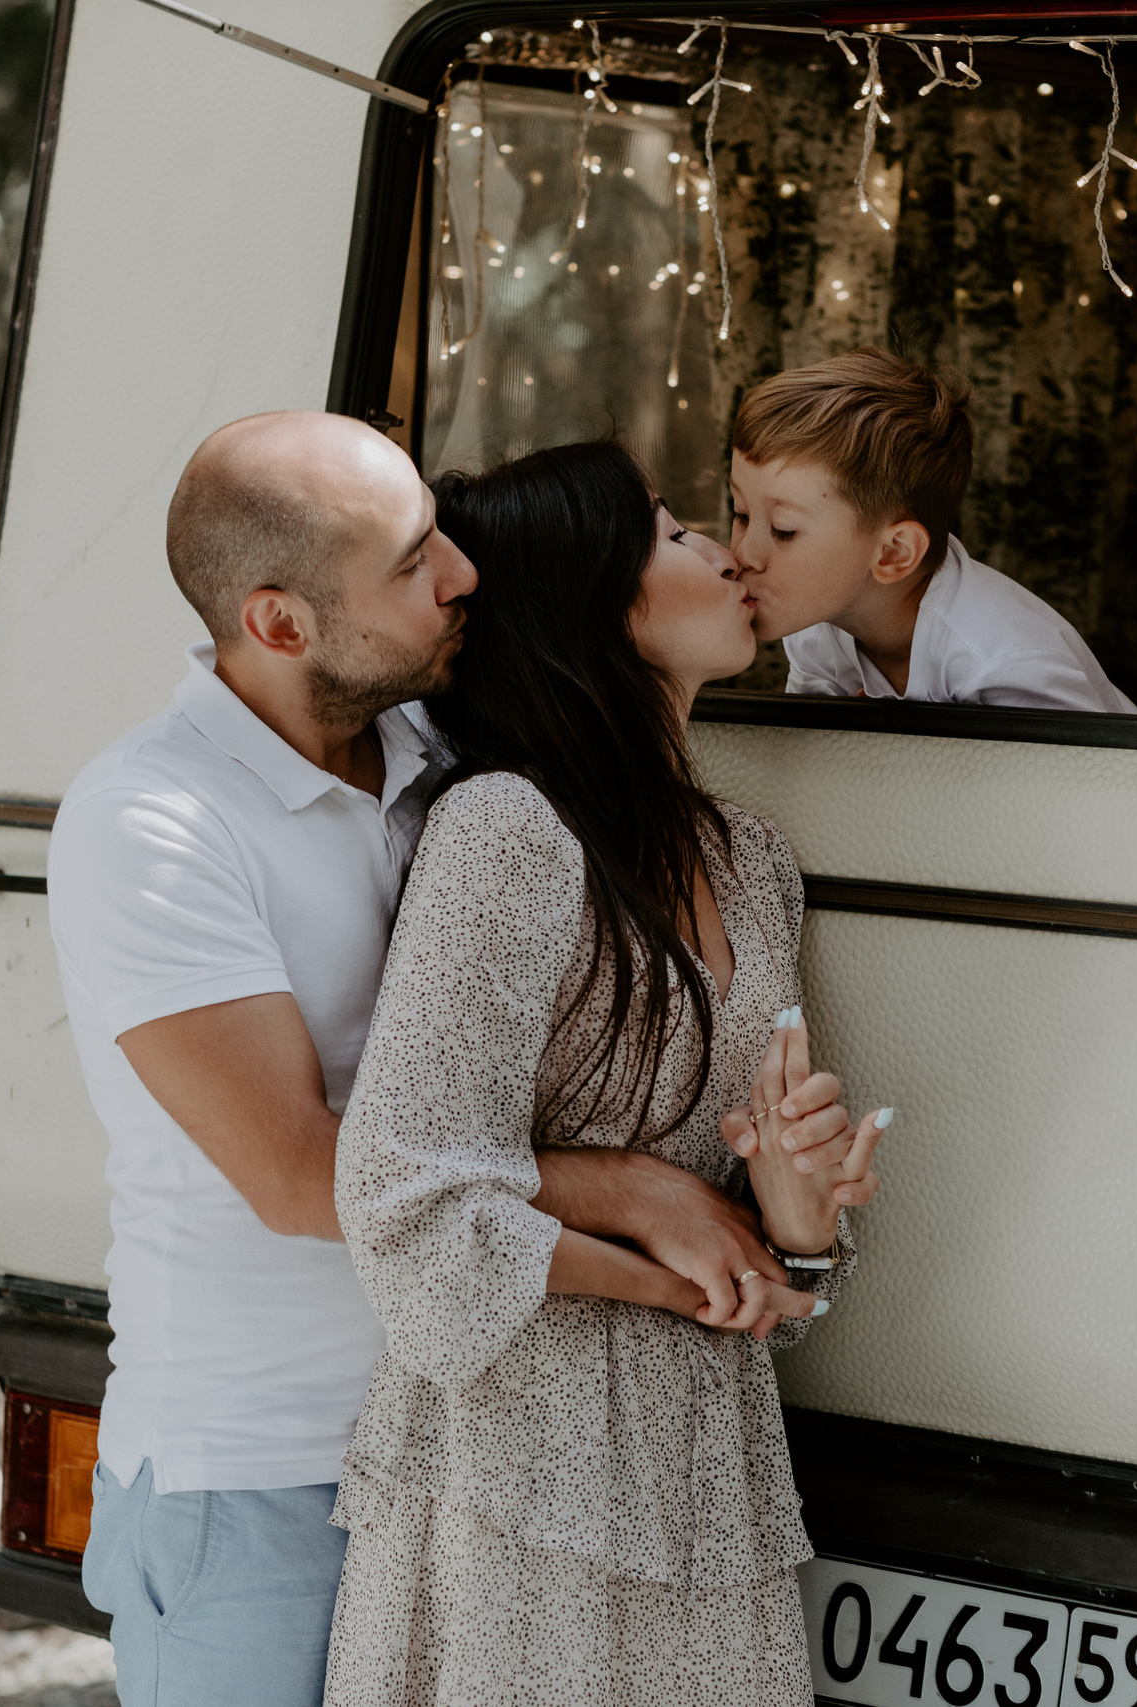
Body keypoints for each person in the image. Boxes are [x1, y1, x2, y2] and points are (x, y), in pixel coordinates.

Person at [45, 413, 851, 1707]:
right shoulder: (153, 820)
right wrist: (634, 1194)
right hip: (260, 1462)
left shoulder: (439, 766)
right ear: (282, 621)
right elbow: (319, 1175)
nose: (461, 573)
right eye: (415, 561)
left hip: (483, 1418)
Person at [325, 441, 893, 1707]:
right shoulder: (508, 832)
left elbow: (763, 1244)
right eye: (676, 531)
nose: (725, 553)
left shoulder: (752, 859)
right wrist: (645, 1210)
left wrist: (796, 1210)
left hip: (706, 1449)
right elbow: (402, 1187)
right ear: (598, 600)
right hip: (522, 1450)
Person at [727, 346, 1137, 714]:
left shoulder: (1004, 665)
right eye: (741, 514)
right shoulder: (816, 630)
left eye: (783, 531)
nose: (744, 552)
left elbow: (1089, 794)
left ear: (894, 553)